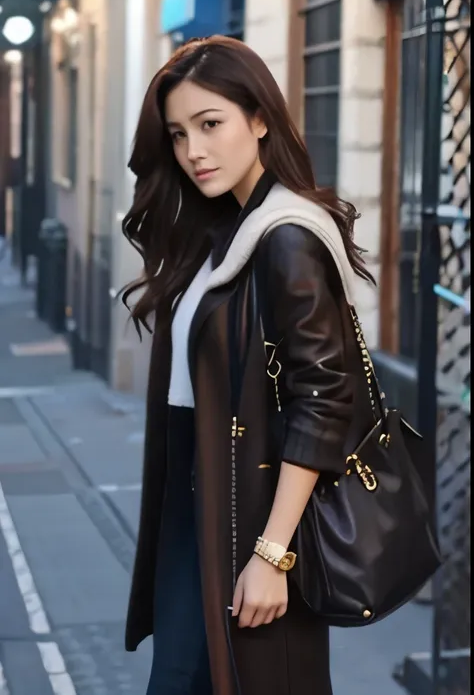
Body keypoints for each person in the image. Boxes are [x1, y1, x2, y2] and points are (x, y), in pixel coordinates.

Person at [122, 35, 375, 695]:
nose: (193, 151)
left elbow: (323, 399)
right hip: (194, 495)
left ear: (259, 118)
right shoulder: (220, 232)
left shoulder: (285, 235)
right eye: (178, 135)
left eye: (211, 125)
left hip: (251, 509)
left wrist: (272, 554)